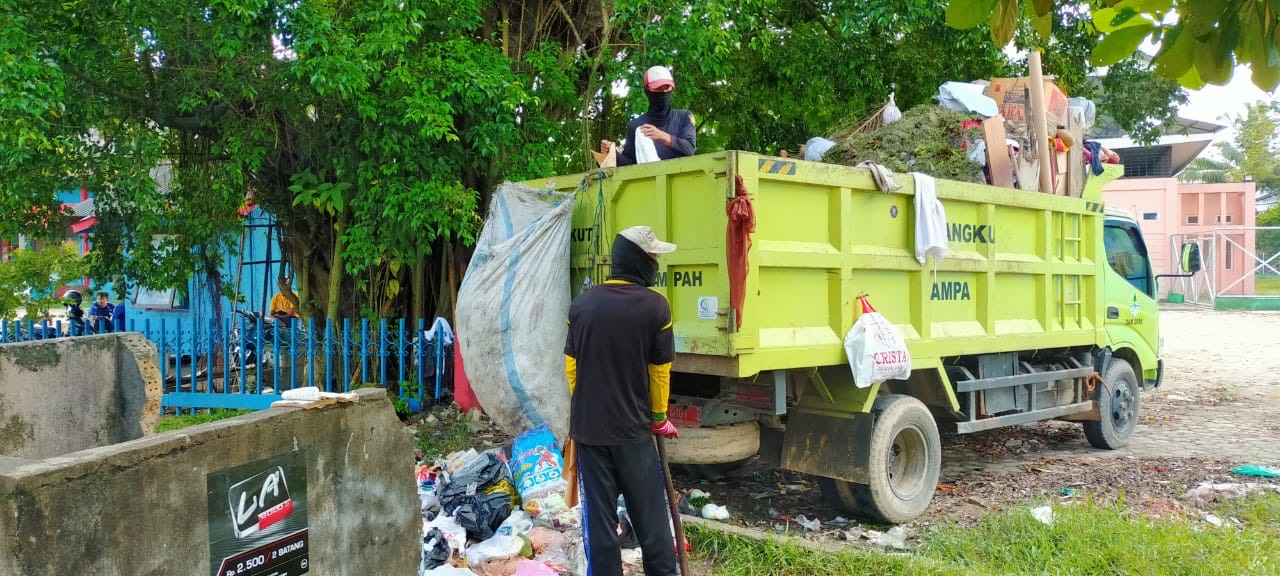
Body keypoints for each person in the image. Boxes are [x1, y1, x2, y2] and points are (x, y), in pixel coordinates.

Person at [564, 225, 680, 576]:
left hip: (589, 433)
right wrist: (659, 416)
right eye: (654, 256)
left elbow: (572, 369)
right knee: (654, 526)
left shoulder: (580, 306)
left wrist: (591, 407)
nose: (657, 262)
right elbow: (660, 371)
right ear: (639, 261)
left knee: (601, 530)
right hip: (633, 433)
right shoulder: (656, 308)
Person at [601, 66, 696, 167]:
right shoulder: (636, 126)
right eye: (658, 88)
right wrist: (612, 153)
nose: (663, 92)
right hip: (649, 181)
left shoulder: (684, 117)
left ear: (672, 88)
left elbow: (689, 149)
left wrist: (662, 136)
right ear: (647, 90)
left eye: (666, 87)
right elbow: (631, 164)